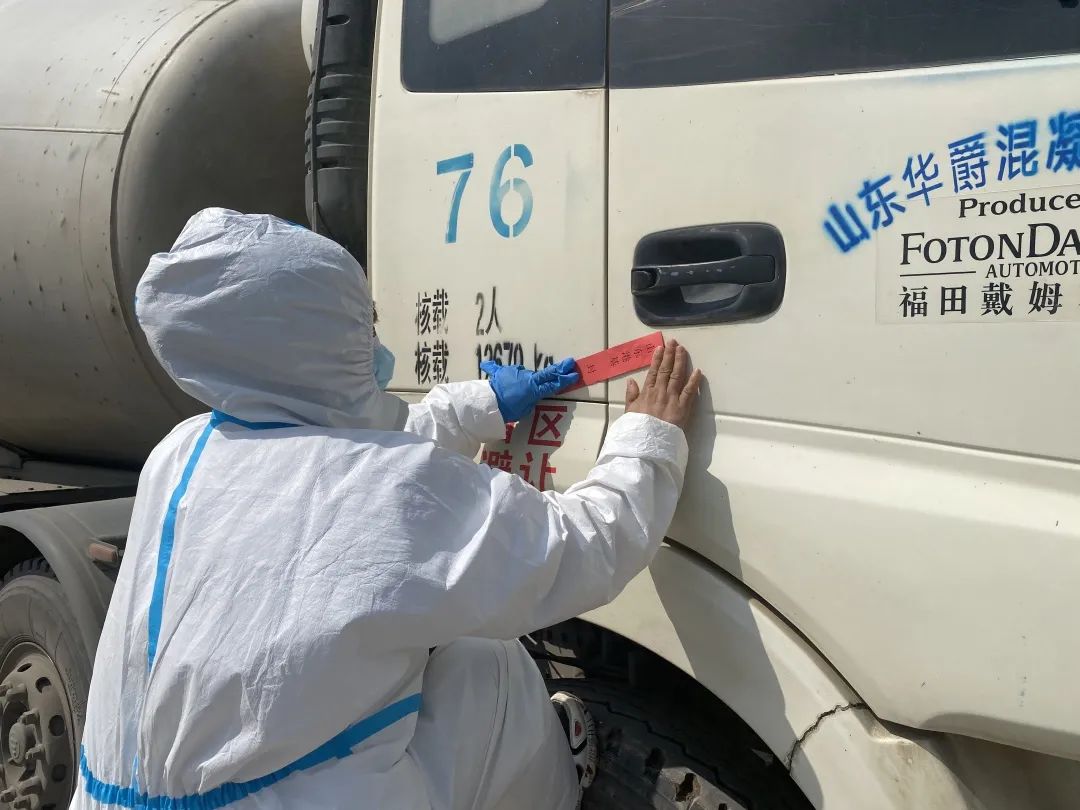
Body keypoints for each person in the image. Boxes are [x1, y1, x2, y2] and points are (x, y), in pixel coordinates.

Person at [72, 209, 703, 810]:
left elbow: (338, 463)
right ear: (322, 344)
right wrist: (647, 440)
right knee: (492, 667)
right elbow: (582, 545)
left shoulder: (182, 451)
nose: (376, 340)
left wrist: (478, 405)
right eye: (363, 324)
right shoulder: (381, 489)